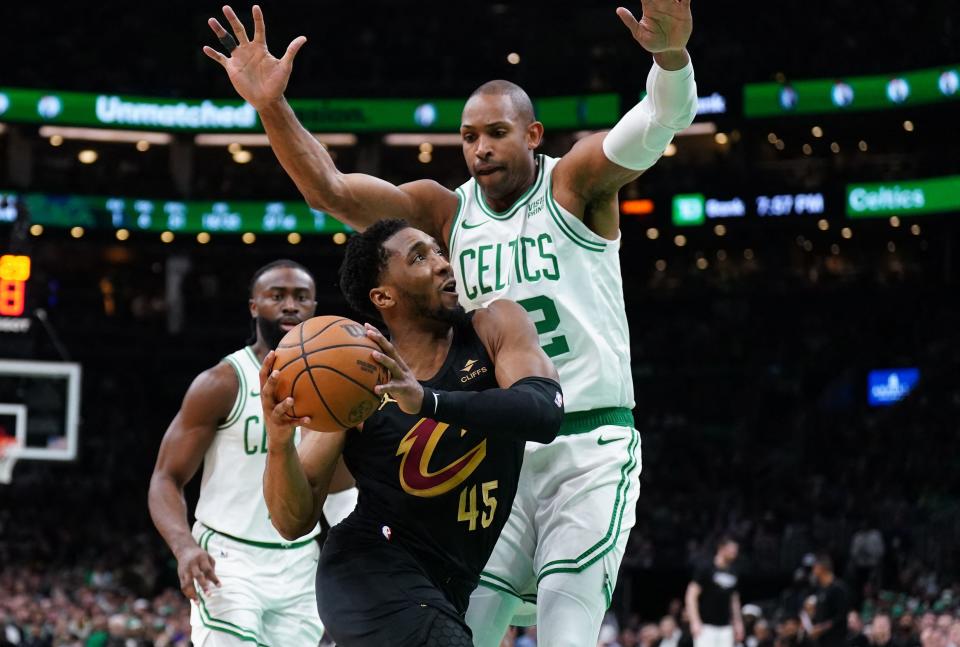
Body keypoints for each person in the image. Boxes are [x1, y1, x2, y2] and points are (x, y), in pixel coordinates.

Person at [203, 2, 697, 642]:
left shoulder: (574, 184)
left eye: (496, 132)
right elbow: (329, 190)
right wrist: (271, 106)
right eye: (469, 137)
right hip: (492, 450)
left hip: (586, 441)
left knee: (566, 628)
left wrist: (672, 57)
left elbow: (658, 123)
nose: (481, 148)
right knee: (463, 629)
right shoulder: (442, 215)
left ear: (534, 135)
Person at [258, 220, 564, 646]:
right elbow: (293, 520)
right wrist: (278, 443)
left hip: (448, 585)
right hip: (370, 567)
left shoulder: (493, 326)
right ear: (384, 297)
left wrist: (427, 401)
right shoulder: (359, 377)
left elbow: (544, 412)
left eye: (439, 251)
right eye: (420, 257)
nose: (442, 264)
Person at [148, 259, 358, 646]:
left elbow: (340, 491)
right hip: (227, 559)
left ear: (314, 308)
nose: (290, 306)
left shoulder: (332, 392)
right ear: (254, 307)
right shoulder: (223, 382)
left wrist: (361, 552)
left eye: (301, 297)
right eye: (276, 296)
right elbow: (166, 478)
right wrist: (183, 547)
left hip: (299, 562)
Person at [685, 537, 744, 647]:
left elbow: (734, 599)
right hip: (705, 626)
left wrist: (738, 623)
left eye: (736, 550)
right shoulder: (706, 567)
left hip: (726, 627)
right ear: (721, 548)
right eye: (732, 550)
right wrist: (694, 621)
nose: (735, 553)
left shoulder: (734, 571)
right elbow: (691, 596)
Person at [809, 555, 850, 647]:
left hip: (836, 641)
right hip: (821, 641)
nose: (813, 571)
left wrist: (822, 628)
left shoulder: (839, 588)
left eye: (814, 567)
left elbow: (841, 616)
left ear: (821, 568)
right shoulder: (819, 588)